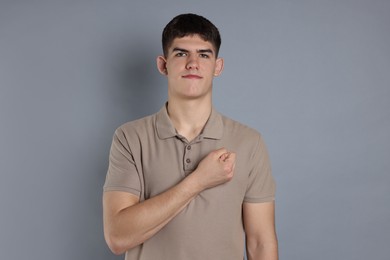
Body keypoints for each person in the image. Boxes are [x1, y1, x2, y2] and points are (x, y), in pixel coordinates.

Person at [103, 13, 278, 260]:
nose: (193, 63)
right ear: (163, 65)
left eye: (204, 54)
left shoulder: (249, 142)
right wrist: (198, 181)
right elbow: (118, 237)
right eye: (181, 53)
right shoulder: (130, 138)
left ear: (218, 66)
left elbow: (260, 243)